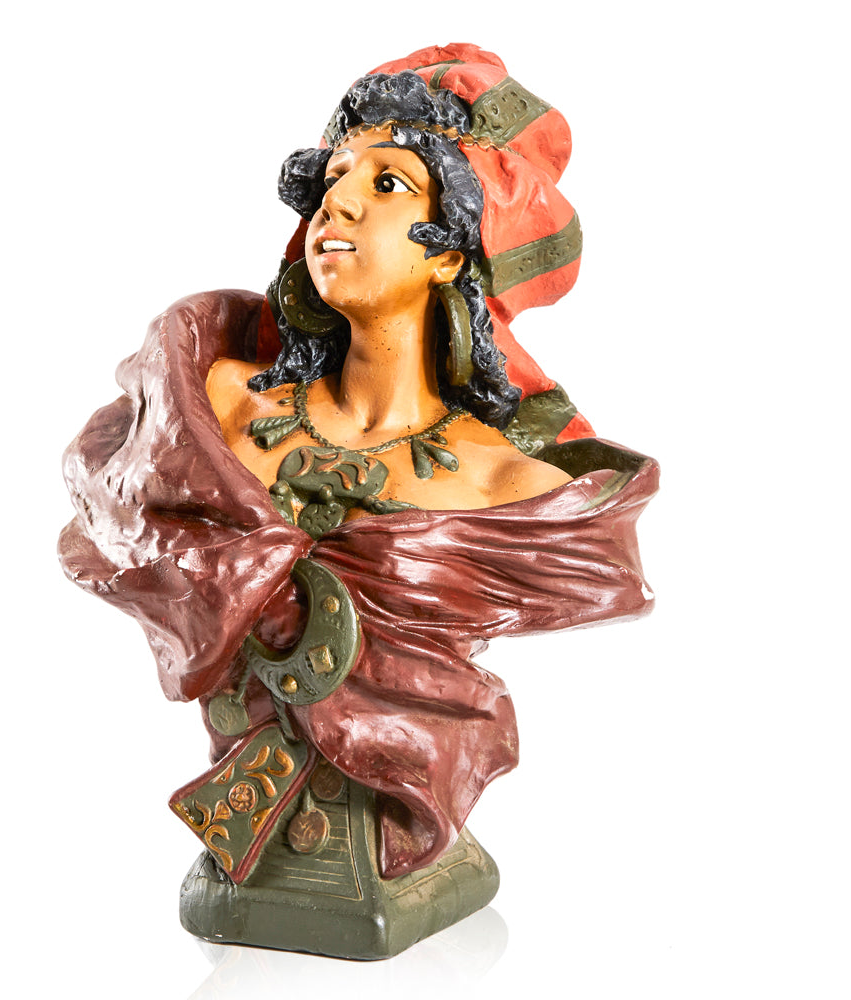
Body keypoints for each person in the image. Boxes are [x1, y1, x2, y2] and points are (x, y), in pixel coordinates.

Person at [59, 44, 658, 958]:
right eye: (334, 180)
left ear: (451, 249)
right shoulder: (208, 410)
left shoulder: (509, 490)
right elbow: (115, 516)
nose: (336, 204)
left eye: (387, 185)